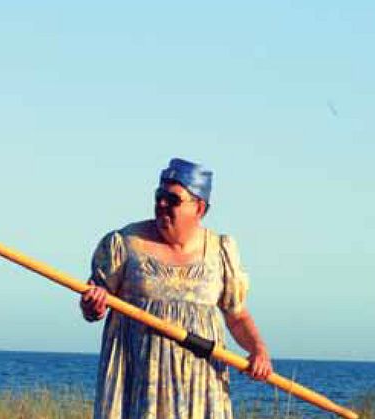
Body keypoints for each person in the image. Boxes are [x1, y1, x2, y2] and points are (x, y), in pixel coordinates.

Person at [80, 158, 272, 419]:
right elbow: (92, 308)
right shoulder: (125, 244)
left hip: (200, 384)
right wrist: (94, 304)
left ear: (200, 208)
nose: (161, 205)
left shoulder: (220, 252)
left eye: (173, 200)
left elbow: (237, 316)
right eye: (159, 197)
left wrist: (258, 350)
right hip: (138, 381)